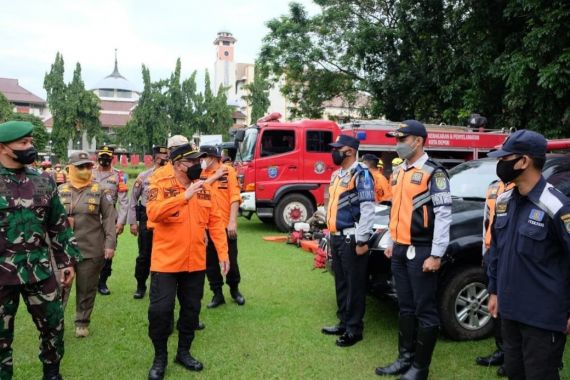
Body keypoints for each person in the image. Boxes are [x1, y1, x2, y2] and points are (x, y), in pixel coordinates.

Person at [486, 130, 570, 380]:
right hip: (510, 312)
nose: (500, 163)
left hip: (543, 317)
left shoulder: (557, 205)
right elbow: (496, 251)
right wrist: (494, 290)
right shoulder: (503, 201)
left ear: (524, 161)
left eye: (505, 157)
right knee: (514, 373)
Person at [0, 120, 81, 380]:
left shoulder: (43, 181)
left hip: (39, 269)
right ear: (3, 148)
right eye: (23, 143)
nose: (30, 147)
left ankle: (52, 373)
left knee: (53, 326)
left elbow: (58, 224)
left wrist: (66, 261)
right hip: (2, 273)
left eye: (31, 142)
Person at [146, 144, 229, 379]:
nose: (198, 165)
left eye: (198, 161)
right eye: (192, 162)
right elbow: (153, 214)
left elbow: (215, 222)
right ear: (178, 164)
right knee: (160, 312)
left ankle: (184, 352)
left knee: (191, 311)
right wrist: (184, 197)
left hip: (195, 262)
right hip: (166, 263)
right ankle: (159, 357)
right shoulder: (160, 184)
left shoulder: (204, 188)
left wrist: (223, 254)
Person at [376, 120, 452, 379]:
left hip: (421, 251)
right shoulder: (399, 172)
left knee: (425, 309)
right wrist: (390, 241)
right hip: (399, 249)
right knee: (405, 307)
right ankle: (404, 359)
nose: (397, 145)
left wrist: (436, 254)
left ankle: (420, 368)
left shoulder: (435, 172)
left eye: (402, 140)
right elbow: (396, 210)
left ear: (418, 141)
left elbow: (443, 214)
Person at [322, 135, 375, 347]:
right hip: (336, 237)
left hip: (352, 237)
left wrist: (362, 240)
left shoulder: (361, 174)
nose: (334, 151)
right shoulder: (337, 175)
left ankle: (354, 329)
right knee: (341, 283)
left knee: (355, 285)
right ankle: (343, 322)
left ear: (350, 151)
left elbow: (368, 208)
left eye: (338, 148)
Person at [57, 151, 117, 338]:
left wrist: (110, 244)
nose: (85, 170)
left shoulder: (100, 191)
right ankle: (55, 322)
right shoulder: (59, 190)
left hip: (91, 247)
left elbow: (109, 219)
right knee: (60, 287)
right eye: (80, 167)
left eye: (88, 166)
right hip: (63, 249)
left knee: (87, 287)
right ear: (71, 168)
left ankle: (82, 322)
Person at [475, 179, 514, 377]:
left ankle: (512, 355)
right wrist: (485, 250)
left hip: (510, 253)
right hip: (492, 251)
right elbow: (487, 221)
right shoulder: (492, 186)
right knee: (495, 304)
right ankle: (501, 349)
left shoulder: (520, 186)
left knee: (509, 307)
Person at [199, 145, 244, 308]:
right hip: (206, 227)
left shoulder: (228, 171)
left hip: (225, 225)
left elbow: (234, 197)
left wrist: (232, 221)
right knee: (210, 263)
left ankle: (234, 290)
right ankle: (217, 293)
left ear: (212, 157)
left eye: (203, 157)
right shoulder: (200, 174)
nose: (201, 160)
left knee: (231, 260)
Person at [127, 146, 169, 299]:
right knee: (144, 254)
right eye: (160, 157)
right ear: (154, 159)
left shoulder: (172, 176)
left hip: (166, 218)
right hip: (147, 216)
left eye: (165, 156)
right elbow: (133, 200)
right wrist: (133, 222)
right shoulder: (144, 177)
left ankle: (159, 286)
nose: (163, 159)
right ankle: (140, 285)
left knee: (164, 254)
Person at [93, 145, 129, 295]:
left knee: (109, 249)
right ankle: (90, 280)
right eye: (102, 156)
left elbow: (124, 201)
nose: (105, 159)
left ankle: (102, 282)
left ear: (112, 158)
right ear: (97, 157)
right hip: (91, 216)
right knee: (91, 250)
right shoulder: (89, 173)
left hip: (110, 217)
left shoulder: (120, 176)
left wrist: (120, 222)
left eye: (108, 156)